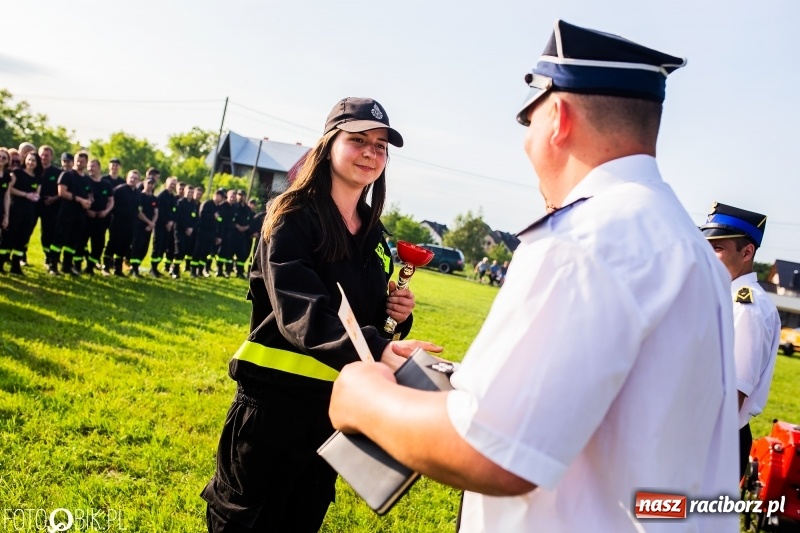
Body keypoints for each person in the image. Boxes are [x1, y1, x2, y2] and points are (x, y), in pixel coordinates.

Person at [329, 21, 740, 533]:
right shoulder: (684, 241)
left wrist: (364, 398)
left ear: (558, 119)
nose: (526, 140)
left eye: (528, 117)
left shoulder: (586, 237)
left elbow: (492, 452)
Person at [201, 97, 440, 532]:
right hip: (272, 411)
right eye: (359, 140)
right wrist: (378, 348)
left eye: (382, 146)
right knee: (248, 524)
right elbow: (301, 309)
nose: (371, 152)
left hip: (331, 412)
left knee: (301, 521)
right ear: (330, 144)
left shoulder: (371, 232)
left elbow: (362, 314)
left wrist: (396, 316)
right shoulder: (291, 217)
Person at [700, 202, 781, 478]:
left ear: (747, 252)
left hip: (714, 439)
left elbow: (732, 393)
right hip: (708, 434)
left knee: (678, 517)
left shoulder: (746, 306)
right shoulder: (726, 298)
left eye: (718, 248)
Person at [51, 151, 92, 275]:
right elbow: (61, 192)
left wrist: (89, 201)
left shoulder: (86, 179)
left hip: (80, 215)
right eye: (77, 160)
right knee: (59, 239)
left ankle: (67, 266)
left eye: (82, 161)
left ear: (86, 163)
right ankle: (53, 265)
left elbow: (89, 193)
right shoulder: (67, 175)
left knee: (73, 241)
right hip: (67, 213)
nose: (79, 163)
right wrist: (80, 200)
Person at [6, 152, 43, 275]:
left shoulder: (38, 177)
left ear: (37, 163)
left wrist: (36, 196)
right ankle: (1, 262)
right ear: (24, 160)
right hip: (15, 209)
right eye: (29, 160)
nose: (31, 163)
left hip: (30, 212)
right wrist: (26, 194)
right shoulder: (17, 173)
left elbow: (38, 192)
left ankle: (16, 265)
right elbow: (9, 188)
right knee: (9, 235)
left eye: (34, 161)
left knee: (23, 237)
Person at [82, 159, 115, 275]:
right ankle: (77, 265)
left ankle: (90, 266)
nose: (90, 168)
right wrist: (88, 210)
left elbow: (111, 201)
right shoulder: (85, 181)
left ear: (99, 168)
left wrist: (106, 211)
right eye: (89, 166)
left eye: (93, 166)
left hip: (101, 219)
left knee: (98, 245)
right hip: (86, 217)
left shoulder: (106, 184)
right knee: (81, 242)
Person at [106, 170, 141, 277]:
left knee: (124, 246)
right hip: (117, 222)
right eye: (131, 177)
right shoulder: (119, 190)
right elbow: (110, 203)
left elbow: (137, 209)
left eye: (135, 178)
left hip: (130, 224)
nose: (132, 180)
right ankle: (106, 266)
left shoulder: (137, 193)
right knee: (113, 244)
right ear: (127, 178)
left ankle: (118, 268)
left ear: (138, 180)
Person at [37, 146, 62, 269]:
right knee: (26, 229)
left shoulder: (57, 172)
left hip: (50, 207)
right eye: (42, 154)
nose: (44, 157)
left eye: (47, 155)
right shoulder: (34, 169)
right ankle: (22, 256)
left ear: (51, 157)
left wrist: (54, 198)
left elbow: (62, 190)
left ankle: (48, 256)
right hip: (33, 205)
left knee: (47, 232)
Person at [130, 177, 158, 277]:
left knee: (144, 248)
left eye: (152, 184)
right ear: (144, 183)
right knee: (136, 247)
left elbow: (156, 212)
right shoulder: (140, 196)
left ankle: (137, 266)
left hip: (149, 227)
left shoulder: (154, 199)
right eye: (148, 183)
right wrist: (149, 222)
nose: (150, 185)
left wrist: (152, 223)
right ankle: (134, 269)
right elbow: (139, 212)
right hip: (139, 226)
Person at [151, 176, 179, 277]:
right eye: (171, 183)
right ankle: (152, 268)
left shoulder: (173, 197)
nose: (173, 185)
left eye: (174, 184)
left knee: (163, 247)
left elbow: (175, 211)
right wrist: (167, 222)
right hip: (160, 225)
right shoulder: (162, 196)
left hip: (169, 226)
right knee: (157, 246)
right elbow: (160, 211)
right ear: (166, 184)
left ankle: (156, 267)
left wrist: (171, 221)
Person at [0, 148, 16, 273]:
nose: (1, 159)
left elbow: (6, 196)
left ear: (7, 161)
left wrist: (6, 216)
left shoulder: (7, 177)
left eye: (4, 158)